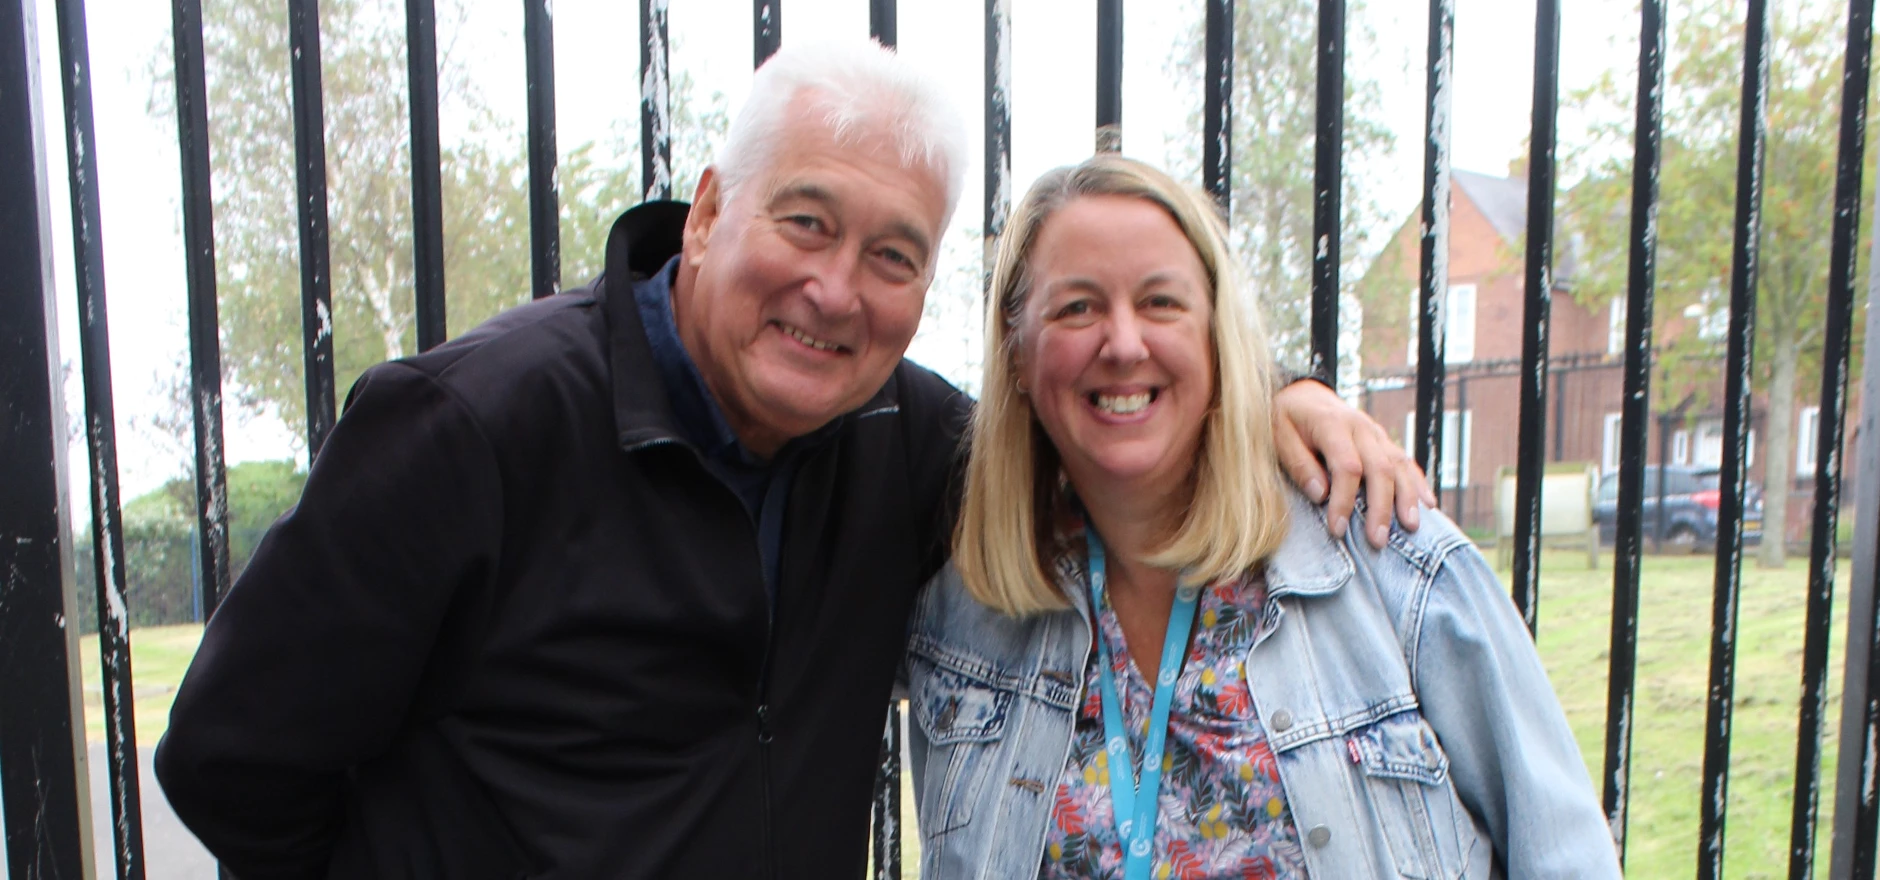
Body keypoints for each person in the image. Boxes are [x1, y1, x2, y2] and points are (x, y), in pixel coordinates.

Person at [154, 42, 1428, 880]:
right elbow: (234, 761)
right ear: (707, 211)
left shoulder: (908, 443)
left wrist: (1277, 392)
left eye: (891, 255)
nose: (833, 290)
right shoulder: (471, 428)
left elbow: (1101, 400)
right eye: (804, 221)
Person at [906, 155, 1619, 879]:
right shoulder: (964, 615)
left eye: (1161, 302)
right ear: (1017, 350)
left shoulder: (1387, 560)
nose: (1122, 343)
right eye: (1077, 307)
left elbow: (1567, 858)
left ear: (1218, 335)